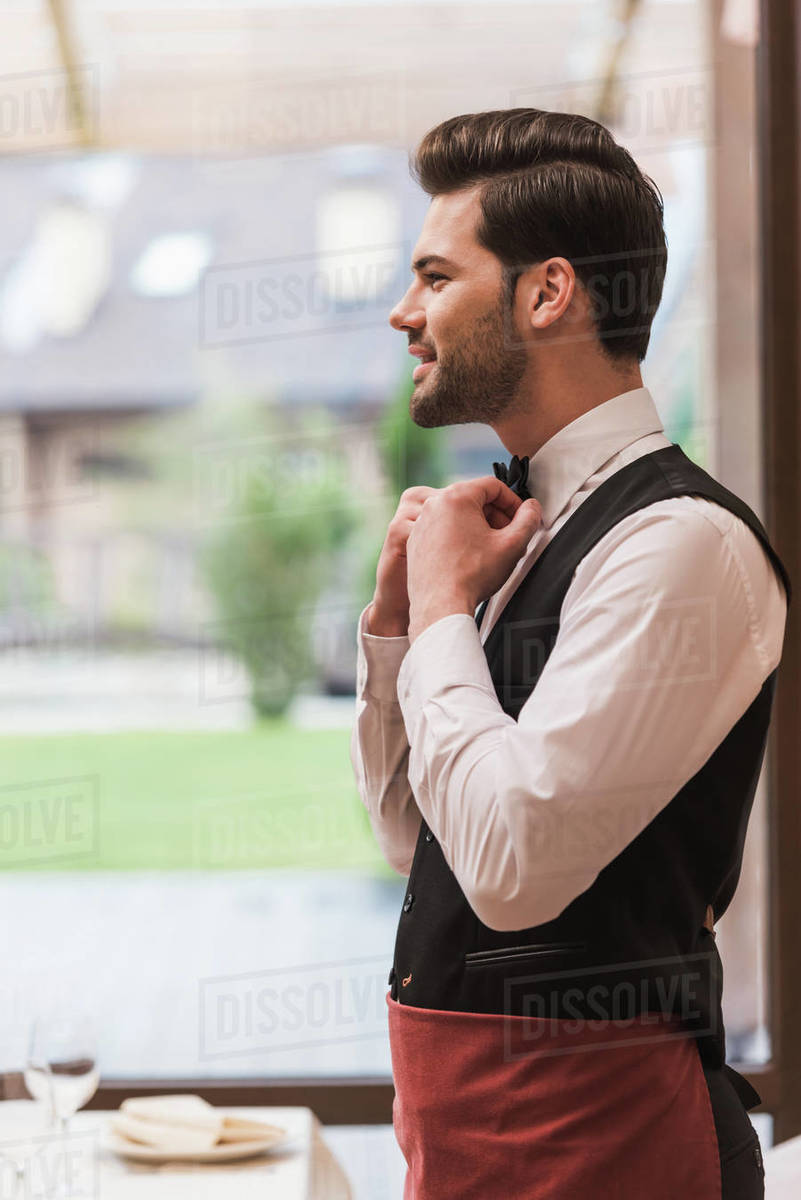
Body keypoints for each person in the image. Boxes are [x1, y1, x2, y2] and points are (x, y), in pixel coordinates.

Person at [349, 108, 790, 1199]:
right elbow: (419, 837)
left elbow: (510, 869)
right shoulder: (516, 525)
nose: (405, 314)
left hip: (606, 1147)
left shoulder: (680, 543)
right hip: (468, 1140)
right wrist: (402, 622)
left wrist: (450, 604)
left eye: (436, 277)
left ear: (547, 295)